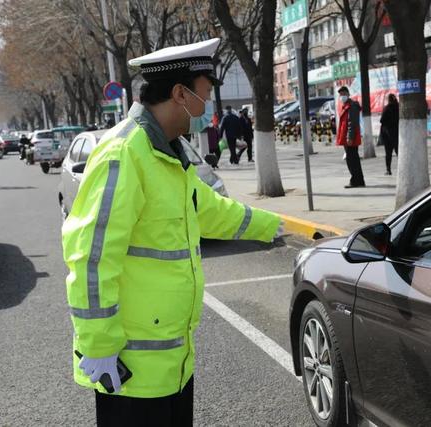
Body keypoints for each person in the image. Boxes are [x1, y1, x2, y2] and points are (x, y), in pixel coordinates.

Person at [61, 38, 283, 427]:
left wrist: (276, 228)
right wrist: (98, 346)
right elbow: (90, 258)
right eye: (205, 95)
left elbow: (211, 211)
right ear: (180, 93)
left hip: (172, 365)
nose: (206, 107)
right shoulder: (123, 154)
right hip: (129, 370)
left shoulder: (167, 154)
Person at [336, 86, 365, 188]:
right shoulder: (345, 106)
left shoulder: (351, 106)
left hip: (350, 138)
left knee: (352, 160)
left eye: (344, 94)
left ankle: (355, 181)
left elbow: (352, 123)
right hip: (347, 137)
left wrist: (349, 137)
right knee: (353, 159)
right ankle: (359, 180)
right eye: (340, 95)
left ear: (348, 94)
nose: (342, 96)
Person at [380, 93, 399, 176]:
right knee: (398, 151)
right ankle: (401, 168)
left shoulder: (387, 108)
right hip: (397, 132)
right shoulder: (399, 107)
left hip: (387, 133)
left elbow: (382, 120)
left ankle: (388, 170)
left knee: (388, 153)